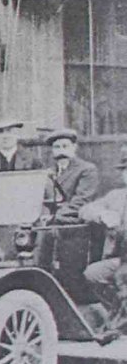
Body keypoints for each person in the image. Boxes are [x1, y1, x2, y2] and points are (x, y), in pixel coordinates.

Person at [79, 146, 127, 334]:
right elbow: (84, 210)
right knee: (93, 273)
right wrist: (102, 214)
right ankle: (117, 313)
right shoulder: (115, 197)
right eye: (126, 171)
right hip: (119, 260)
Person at [46, 128, 100, 219]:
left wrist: (54, 217)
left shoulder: (87, 169)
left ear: (74, 147)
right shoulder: (48, 172)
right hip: (51, 221)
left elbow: (82, 201)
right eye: (57, 147)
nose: (61, 151)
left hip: (76, 221)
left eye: (65, 146)